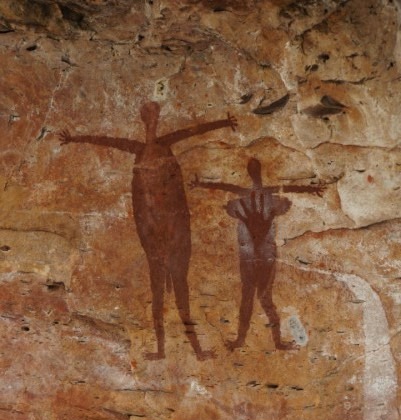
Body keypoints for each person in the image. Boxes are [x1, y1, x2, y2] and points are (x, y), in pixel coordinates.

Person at [59, 101, 237, 360]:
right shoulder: (138, 148)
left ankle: (197, 349)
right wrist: (75, 138)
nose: (152, 120)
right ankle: (161, 349)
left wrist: (224, 123)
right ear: (144, 121)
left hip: (176, 230)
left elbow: (195, 131)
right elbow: (106, 141)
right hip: (153, 235)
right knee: (157, 293)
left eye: (154, 115)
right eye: (148, 116)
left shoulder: (166, 142)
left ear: (157, 118)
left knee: (181, 289)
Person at [191, 158, 325, 350]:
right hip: (256, 255)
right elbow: (289, 189)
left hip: (258, 255)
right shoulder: (262, 193)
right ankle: (253, 341)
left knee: (258, 298)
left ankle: (256, 341)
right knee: (259, 298)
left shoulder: (249, 194)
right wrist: (312, 190)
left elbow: (223, 186)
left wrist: (201, 184)